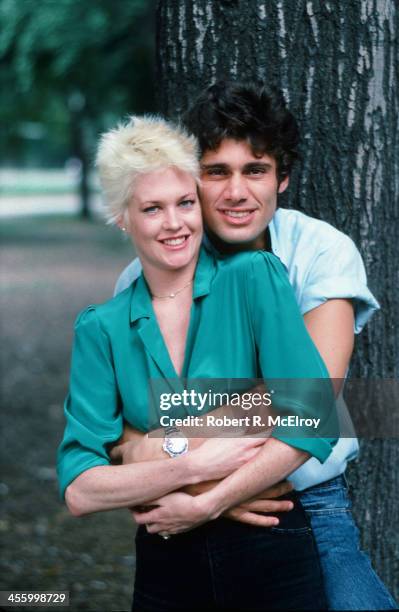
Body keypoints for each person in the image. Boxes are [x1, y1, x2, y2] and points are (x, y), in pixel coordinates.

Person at [113, 82, 398, 611]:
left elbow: (308, 397)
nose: (236, 191)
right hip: (178, 501)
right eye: (216, 171)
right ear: (191, 181)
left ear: (281, 178)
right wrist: (194, 489)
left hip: (301, 503)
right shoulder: (143, 273)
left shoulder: (320, 251)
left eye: (255, 170)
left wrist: (187, 463)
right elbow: (124, 430)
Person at [57, 115, 340, 611]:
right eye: (152, 208)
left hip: (271, 542)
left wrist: (206, 501)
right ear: (123, 218)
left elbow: (313, 415)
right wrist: (192, 464)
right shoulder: (99, 328)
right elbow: (81, 488)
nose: (175, 223)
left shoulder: (255, 277)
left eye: (186, 202)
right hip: (167, 556)